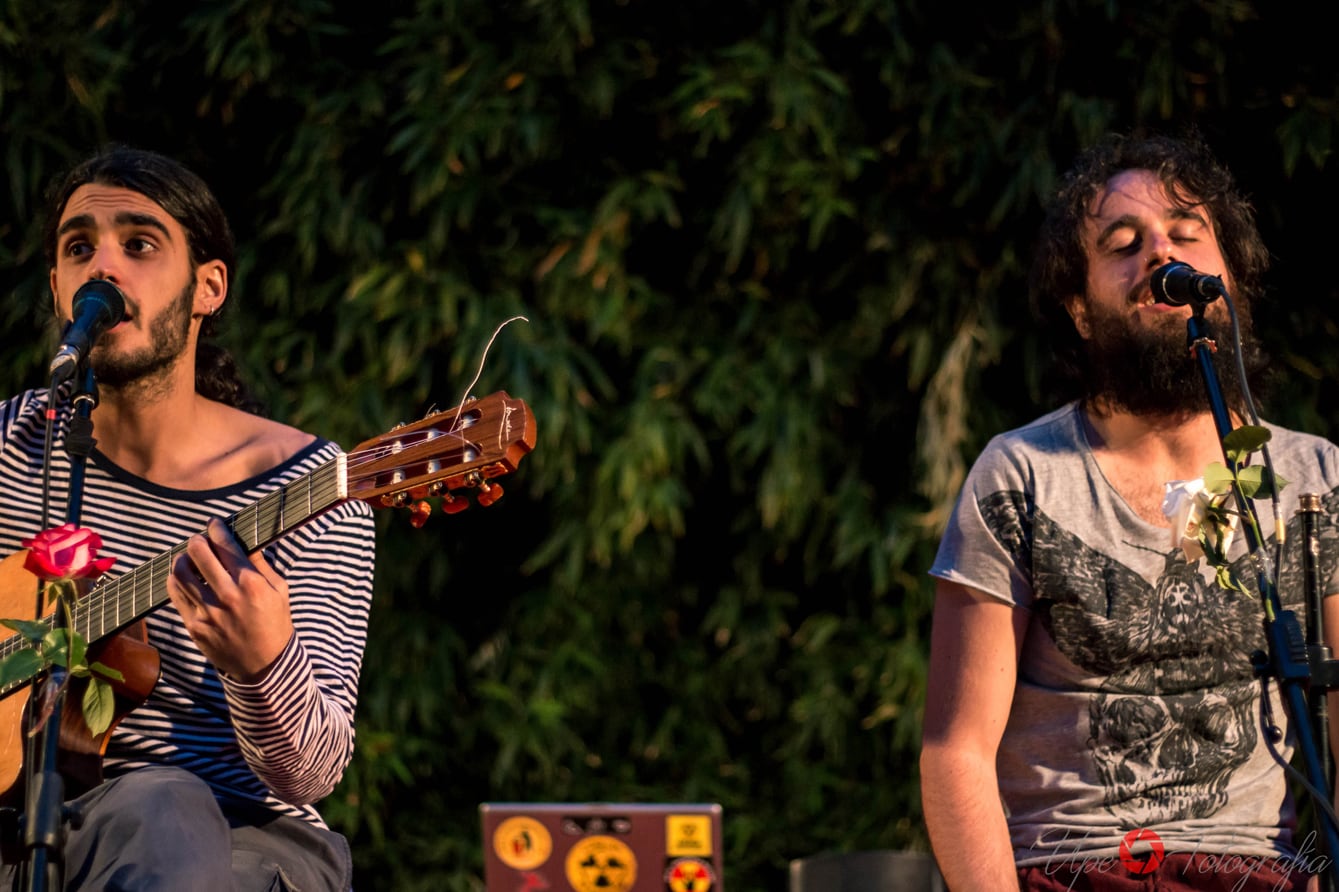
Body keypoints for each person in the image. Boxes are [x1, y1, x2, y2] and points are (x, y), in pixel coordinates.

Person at [920, 131, 1339, 891]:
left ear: (1228, 283)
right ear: (1080, 310)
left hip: (1258, 873)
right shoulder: (1021, 475)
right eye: (1123, 242)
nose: (1158, 253)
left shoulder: (1311, 477)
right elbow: (955, 751)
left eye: (1185, 234)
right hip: (1070, 870)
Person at [0, 146, 377, 890]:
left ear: (208, 288)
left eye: (139, 244)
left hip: (239, 838)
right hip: (23, 824)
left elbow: (311, 773)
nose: (103, 267)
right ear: (56, 288)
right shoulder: (10, 444)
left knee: (162, 802)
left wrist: (262, 663)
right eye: (80, 248)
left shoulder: (310, 485)